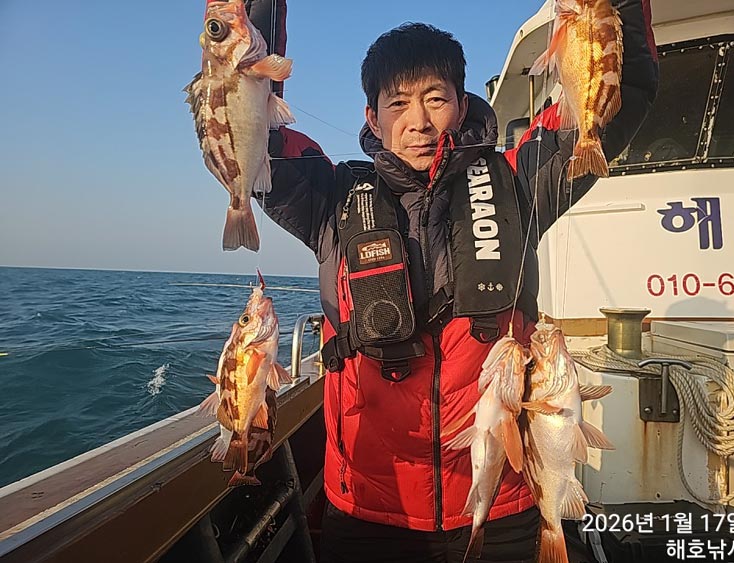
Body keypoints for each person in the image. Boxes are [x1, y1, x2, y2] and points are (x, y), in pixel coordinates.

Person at [256, 2, 659, 561]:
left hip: (503, 501)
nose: (418, 121)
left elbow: (621, 91)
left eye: (435, 99)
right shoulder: (331, 200)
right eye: (397, 104)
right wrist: (248, 19)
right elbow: (249, 129)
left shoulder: (518, 181)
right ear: (372, 118)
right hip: (371, 510)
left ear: (462, 105)